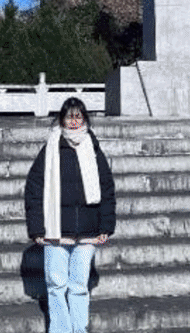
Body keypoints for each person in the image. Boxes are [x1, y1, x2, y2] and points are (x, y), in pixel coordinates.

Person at [24, 97, 116, 333]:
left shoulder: (93, 148)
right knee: (56, 286)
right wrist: (37, 229)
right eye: (69, 116)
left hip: (88, 230)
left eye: (78, 116)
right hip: (56, 230)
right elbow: (34, 189)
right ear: (62, 119)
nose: (74, 121)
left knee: (79, 286)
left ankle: (78, 329)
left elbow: (106, 188)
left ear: (84, 119)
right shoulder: (51, 148)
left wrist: (106, 226)